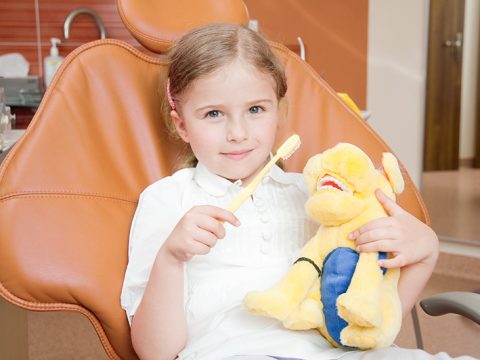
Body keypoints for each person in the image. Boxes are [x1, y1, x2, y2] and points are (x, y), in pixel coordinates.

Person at [120, 23, 460, 360]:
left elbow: (371, 321)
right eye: (213, 114)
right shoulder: (167, 201)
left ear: (279, 112)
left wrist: (426, 252)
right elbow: (156, 352)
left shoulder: (319, 200)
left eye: (255, 110)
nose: (238, 132)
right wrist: (171, 258)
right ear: (182, 125)